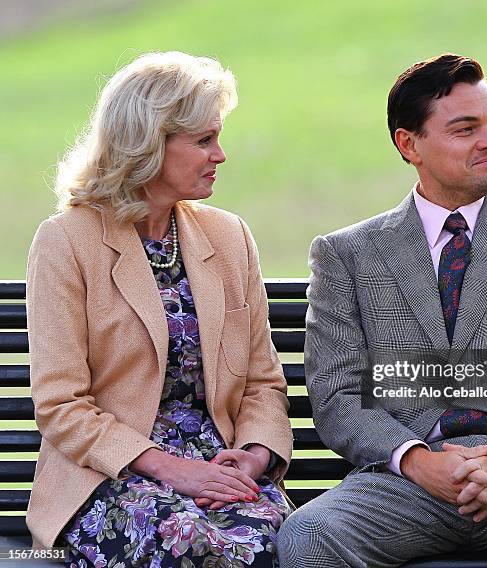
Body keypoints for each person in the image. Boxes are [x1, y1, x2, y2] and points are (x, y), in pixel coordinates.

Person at [277, 53, 487, 567]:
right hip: (407, 484)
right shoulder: (348, 254)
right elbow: (338, 391)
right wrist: (415, 460)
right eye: (465, 129)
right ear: (409, 144)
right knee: (309, 539)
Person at [26, 51, 292, 567]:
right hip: (113, 476)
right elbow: (61, 404)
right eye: (203, 141)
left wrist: (255, 456)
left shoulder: (228, 235)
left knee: (291, 543)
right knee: (192, 543)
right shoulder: (66, 241)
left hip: (221, 474)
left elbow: (263, 381)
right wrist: (172, 469)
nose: (221, 155)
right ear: (148, 144)